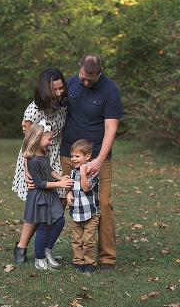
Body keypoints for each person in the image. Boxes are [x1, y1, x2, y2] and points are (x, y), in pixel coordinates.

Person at [60, 53, 122, 271]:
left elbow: (110, 128)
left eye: (90, 79)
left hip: (97, 157)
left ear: (100, 72)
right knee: (60, 200)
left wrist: (98, 160)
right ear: (79, 68)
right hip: (68, 154)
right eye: (83, 78)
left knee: (103, 204)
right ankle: (46, 251)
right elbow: (50, 106)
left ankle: (107, 258)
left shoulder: (110, 91)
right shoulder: (70, 83)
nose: (85, 82)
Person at [11, 68, 69, 264]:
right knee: (39, 206)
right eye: (55, 89)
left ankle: (45, 248)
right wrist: (28, 170)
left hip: (54, 157)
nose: (60, 92)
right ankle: (21, 247)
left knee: (59, 203)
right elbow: (28, 143)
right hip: (33, 159)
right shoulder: (33, 110)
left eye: (61, 88)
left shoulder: (63, 106)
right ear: (46, 90)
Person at [21, 120, 73, 270]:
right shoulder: (33, 159)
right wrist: (59, 184)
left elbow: (49, 170)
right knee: (43, 226)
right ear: (37, 139)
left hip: (50, 194)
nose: (51, 142)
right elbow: (39, 184)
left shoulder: (43, 153)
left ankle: (47, 250)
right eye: (49, 139)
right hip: (40, 197)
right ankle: (39, 259)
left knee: (59, 221)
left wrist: (60, 178)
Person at [65, 139, 100, 273]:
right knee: (77, 240)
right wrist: (68, 193)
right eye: (72, 156)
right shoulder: (74, 172)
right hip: (76, 212)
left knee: (88, 240)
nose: (73, 159)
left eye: (77, 156)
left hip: (90, 213)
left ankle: (90, 263)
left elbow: (86, 188)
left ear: (87, 156)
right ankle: (78, 261)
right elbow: (72, 186)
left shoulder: (92, 171)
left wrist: (84, 173)